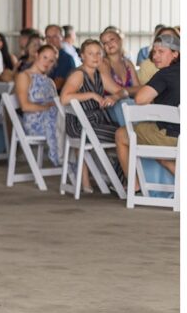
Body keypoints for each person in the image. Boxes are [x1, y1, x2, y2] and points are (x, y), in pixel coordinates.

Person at [59, 39, 126, 192]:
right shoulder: (78, 74)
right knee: (125, 137)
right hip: (80, 125)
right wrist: (91, 95)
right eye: (90, 54)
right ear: (82, 56)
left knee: (126, 134)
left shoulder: (98, 75)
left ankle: (119, 181)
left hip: (95, 123)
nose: (95, 57)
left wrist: (115, 97)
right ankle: (122, 183)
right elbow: (64, 98)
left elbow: (122, 90)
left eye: (98, 53)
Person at [115, 34, 179, 183]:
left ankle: (135, 187)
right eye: (154, 52)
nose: (155, 56)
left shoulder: (165, 74)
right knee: (151, 138)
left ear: (175, 53)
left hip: (170, 136)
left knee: (121, 134)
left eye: (161, 52)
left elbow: (140, 99)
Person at [14, 44, 61, 167]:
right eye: (44, 57)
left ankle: (77, 166)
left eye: (51, 61)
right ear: (36, 55)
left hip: (51, 119)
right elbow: (25, 106)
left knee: (70, 122)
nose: (47, 62)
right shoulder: (24, 76)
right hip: (34, 122)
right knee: (68, 126)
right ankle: (70, 163)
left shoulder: (50, 82)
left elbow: (56, 106)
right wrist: (48, 108)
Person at [98, 28, 139, 93]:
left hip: (130, 102)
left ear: (120, 40)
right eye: (105, 43)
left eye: (112, 39)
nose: (109, 43)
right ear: (103, 48)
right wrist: (140, 89)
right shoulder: (102, 64)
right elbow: (116, 90)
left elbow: (138, 88)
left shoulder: (128, 63)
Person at [44, 24, 77, 88]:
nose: (51, 40)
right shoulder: (43, 56)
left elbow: (57, 85)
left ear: (62, 38)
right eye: (48, 37)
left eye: (55, 37)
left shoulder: (66, 59)